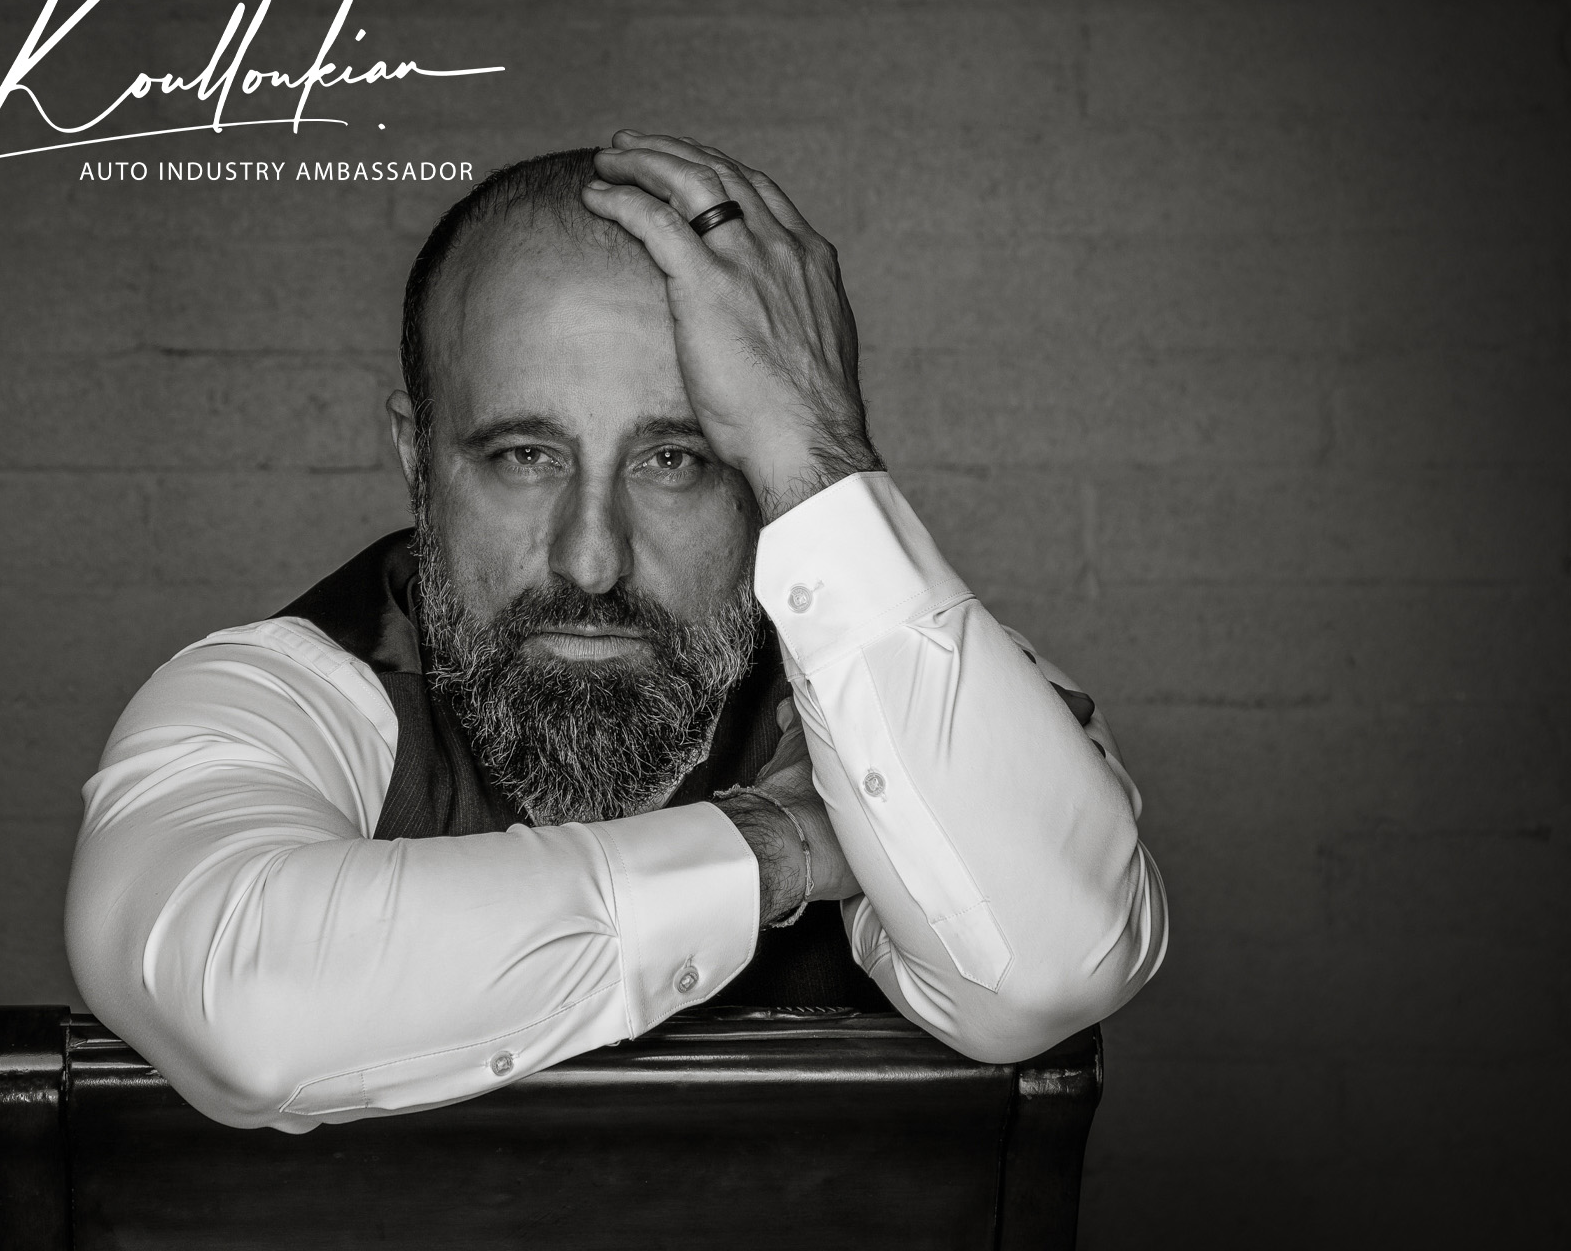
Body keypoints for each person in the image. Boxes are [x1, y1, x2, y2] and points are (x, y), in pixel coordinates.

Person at [64, 132, 1168, 1133]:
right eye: (524, 456)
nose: (591, 559)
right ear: (417, 458)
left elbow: (1045, 970)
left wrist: (820, 452)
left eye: (673, 459)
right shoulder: (268, 694)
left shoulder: (929, 691)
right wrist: (779, 843)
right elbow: (250, 1005)